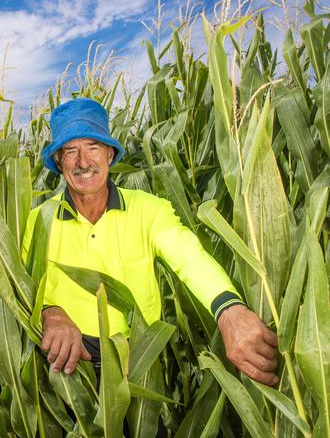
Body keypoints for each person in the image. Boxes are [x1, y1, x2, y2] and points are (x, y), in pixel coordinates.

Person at [21, 98, 279, 386]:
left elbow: (189, 258)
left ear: (109, 154)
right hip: (66, 374)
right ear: (58, 161)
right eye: (71, 151)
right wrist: (50, 313)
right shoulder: (38, 221)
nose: (83, 162)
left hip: (141, 365)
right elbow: (20, 288)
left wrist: (229, 310)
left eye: (93, 147)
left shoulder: (150, 210)